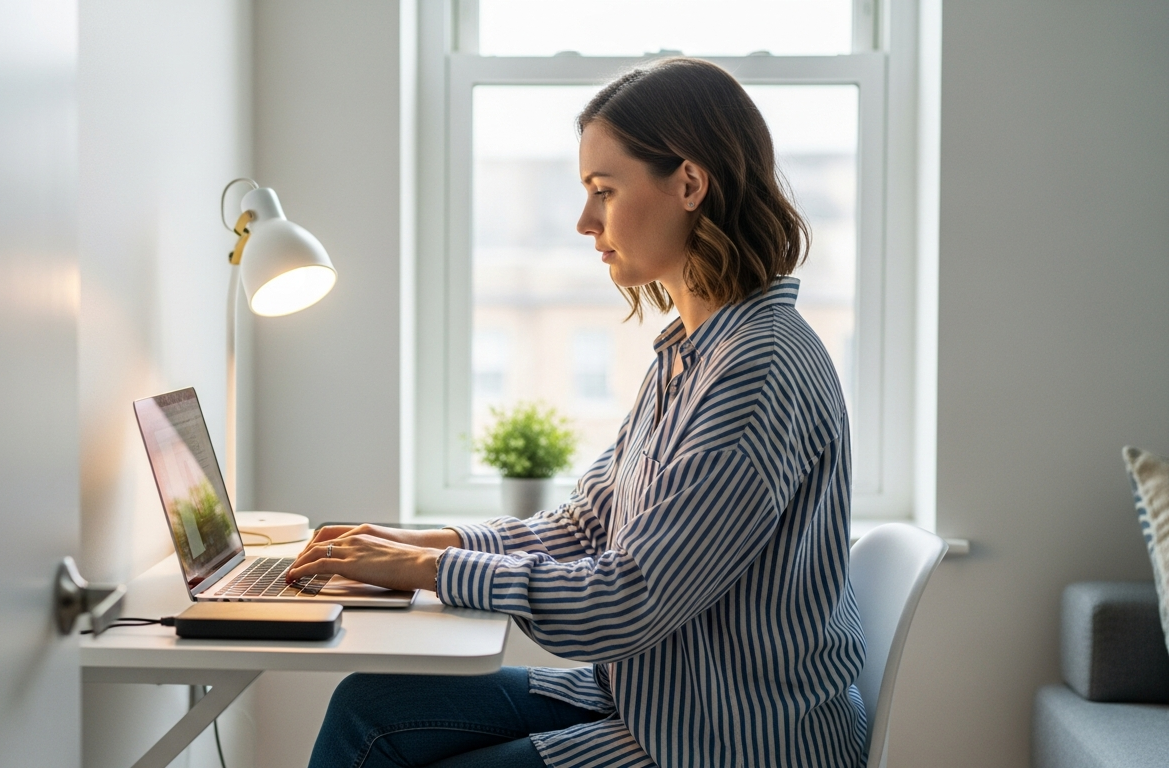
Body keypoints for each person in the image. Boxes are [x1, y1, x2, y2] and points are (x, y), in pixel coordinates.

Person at [285, 57, 867, 768]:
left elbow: (627, 599)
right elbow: (586, 526)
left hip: (719, 739)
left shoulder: (755, 375)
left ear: (689, 183)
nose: (584, 220)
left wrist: (427, 572)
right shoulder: (694, 353)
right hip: (657, 697)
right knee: (368, 706)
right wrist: (422, 544)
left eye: (604, 190)